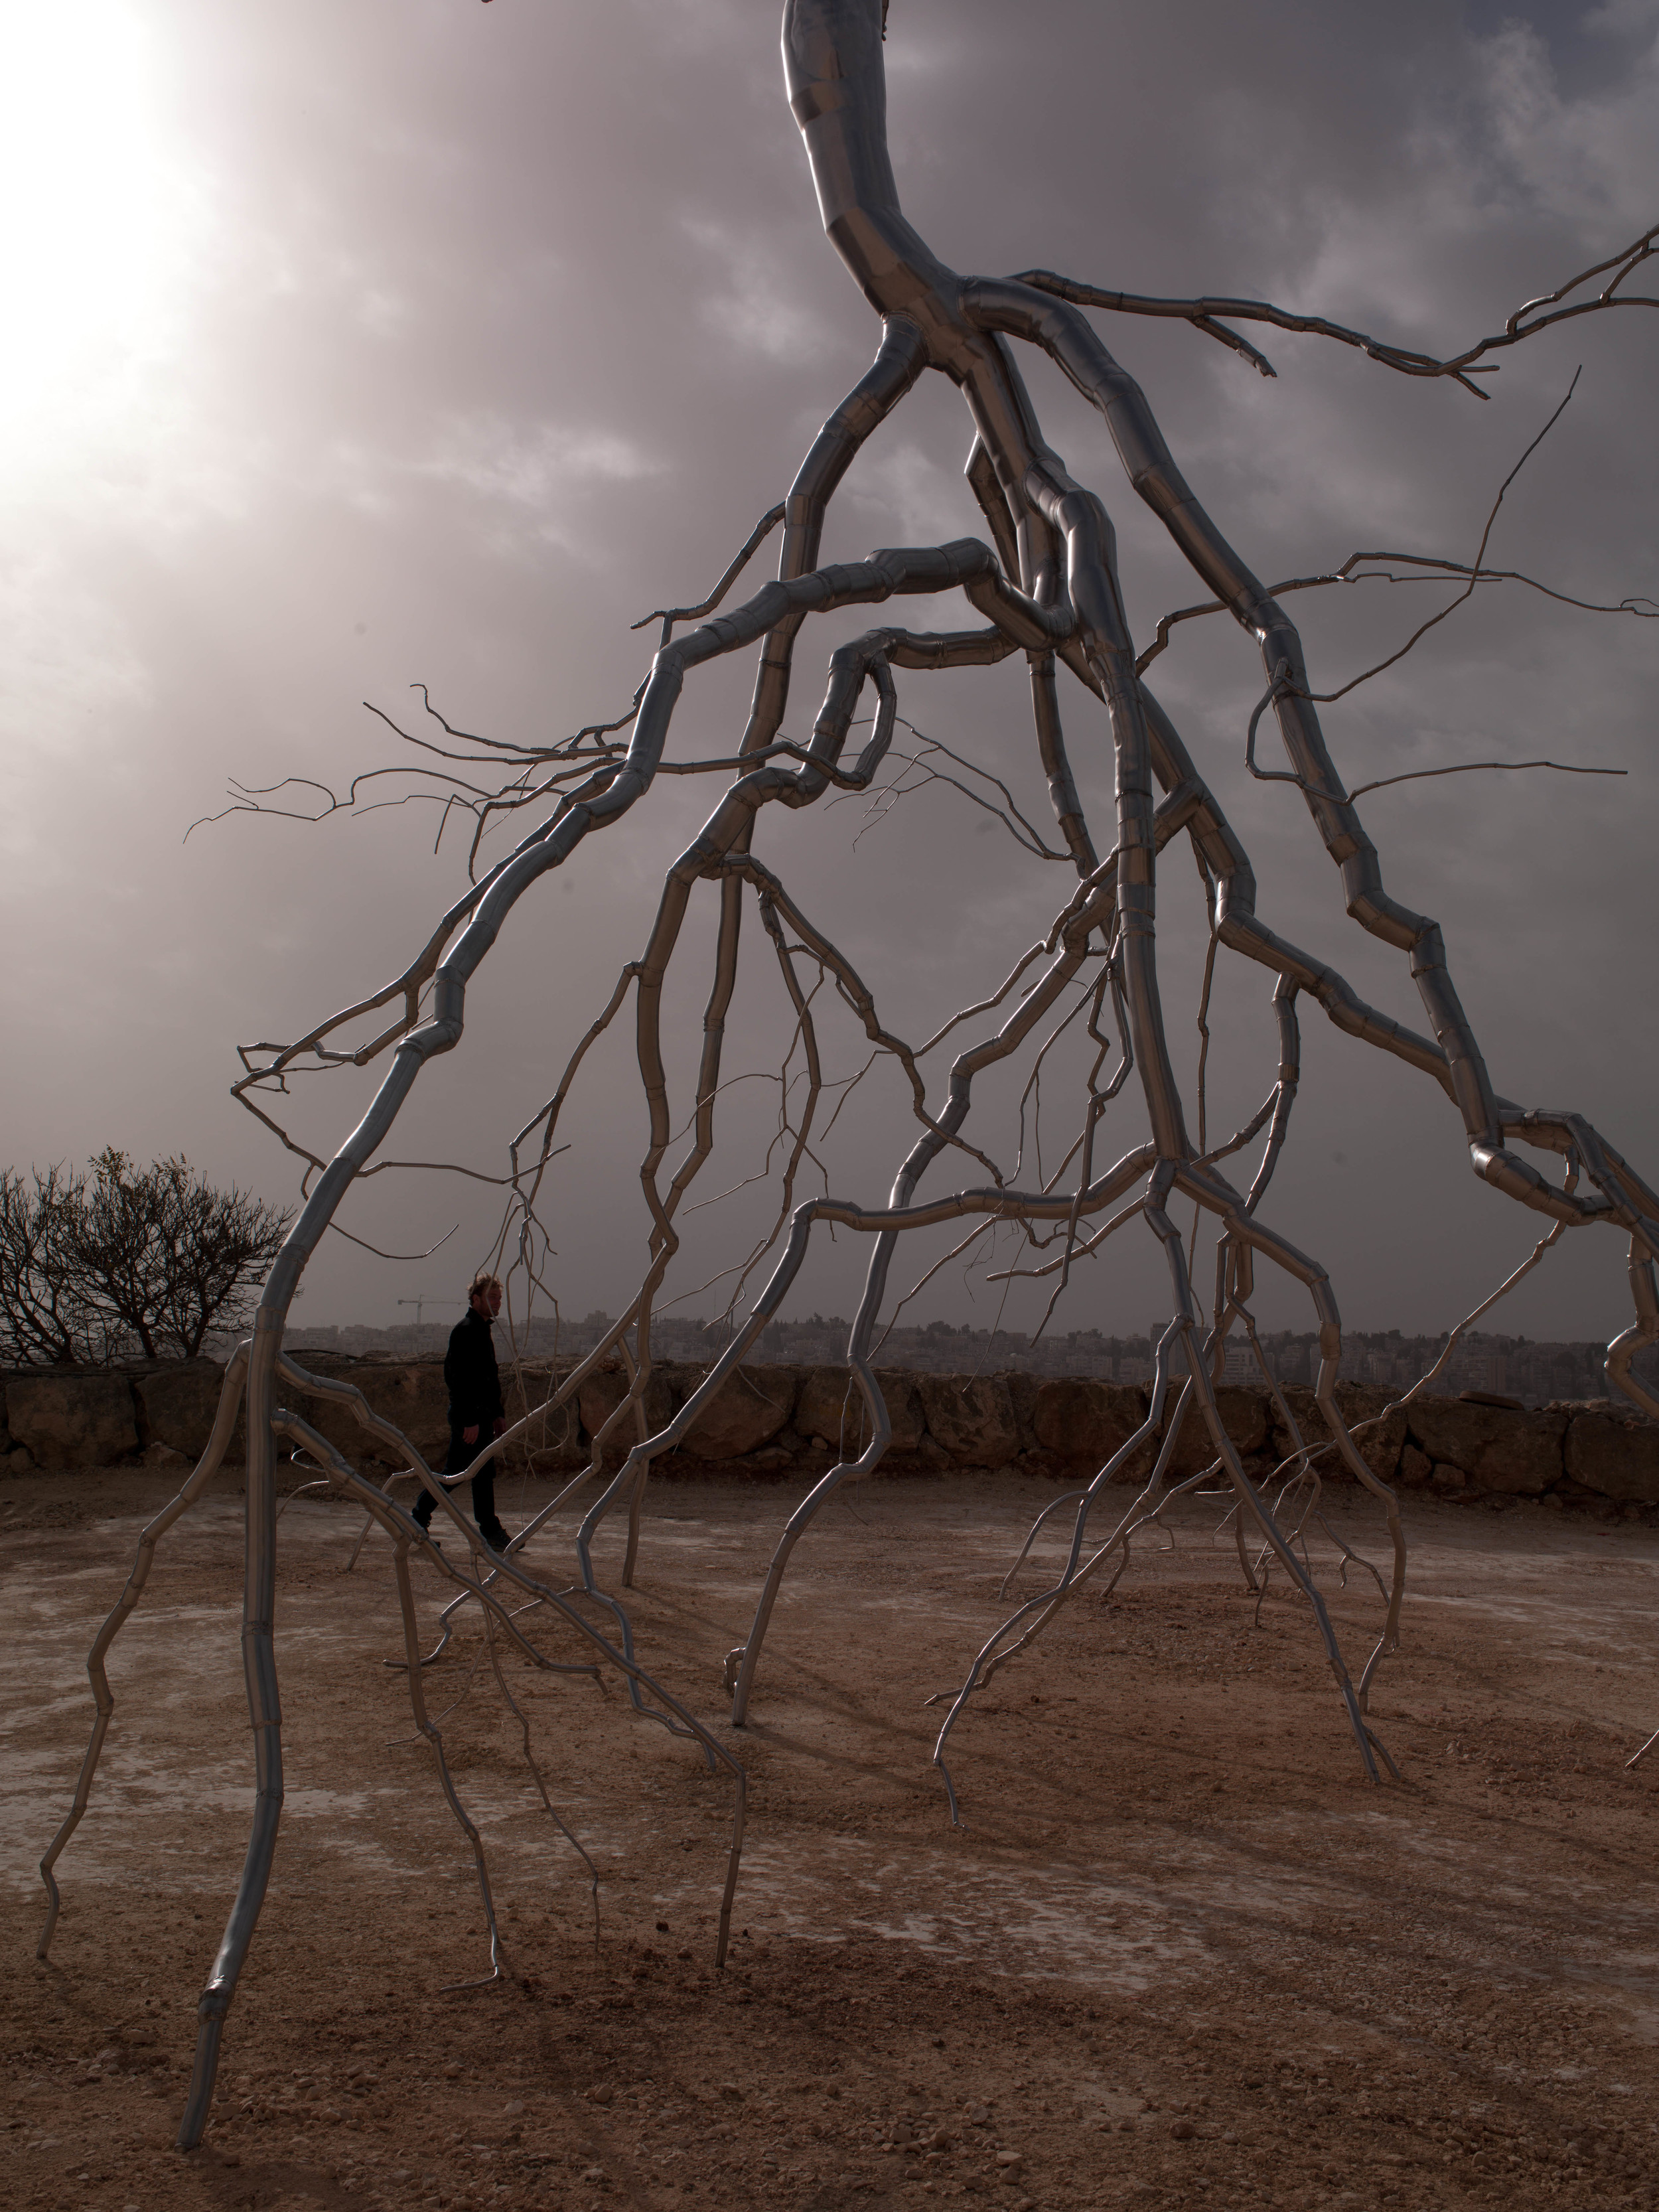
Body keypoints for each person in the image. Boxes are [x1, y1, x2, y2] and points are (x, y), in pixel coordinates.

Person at [412, 1270, 512, 1552]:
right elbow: (458, 1379)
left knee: (480, 1474)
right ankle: (417, 1520)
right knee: (455, 1474)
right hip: (469, 1417)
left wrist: (497, 1413)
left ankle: (490, 1531)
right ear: (475, 1299)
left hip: (481, 1416)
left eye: (499, 1298)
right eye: (491, 1297)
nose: (497, 1302)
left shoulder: (482, 1329)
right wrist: (469, 1420)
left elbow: (488, 1378)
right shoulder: (466, 1330)